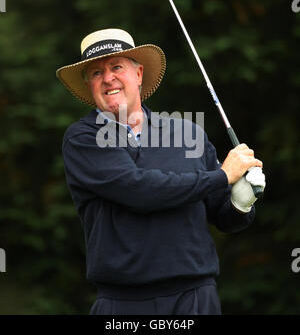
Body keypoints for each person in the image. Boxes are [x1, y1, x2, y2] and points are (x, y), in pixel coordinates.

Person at [56, 28, 266, 315]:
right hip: (123, 303)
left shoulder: (187, 133)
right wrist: (220, 176)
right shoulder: (83, 138)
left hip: (195, 298)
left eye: (117, 67)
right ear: (90, 86)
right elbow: (138, 189)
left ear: (139, 74)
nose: (108, 78)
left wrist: (241, 202)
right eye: (96, 72)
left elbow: (222, 216)